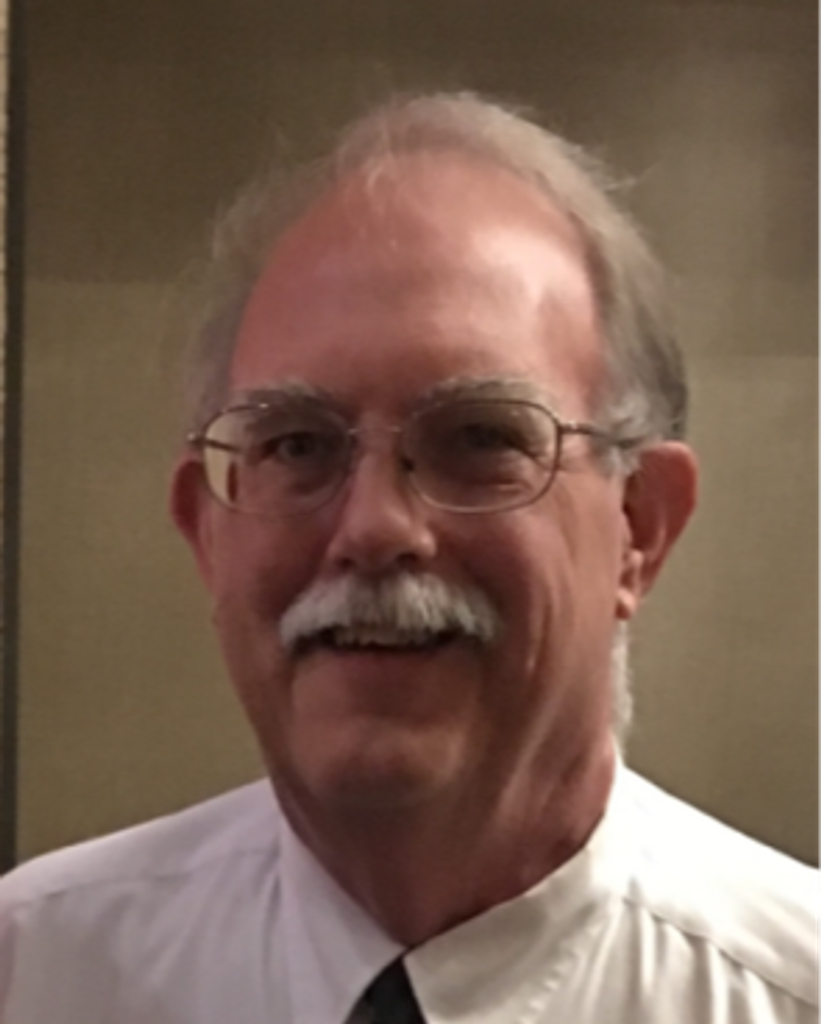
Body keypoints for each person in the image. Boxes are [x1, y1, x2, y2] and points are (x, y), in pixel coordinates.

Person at [0, 92, 816, 1024]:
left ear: (639, 524)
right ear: (207, 532)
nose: (374, 528)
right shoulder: (36, 974)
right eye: (298, 445)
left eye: (478, 438)